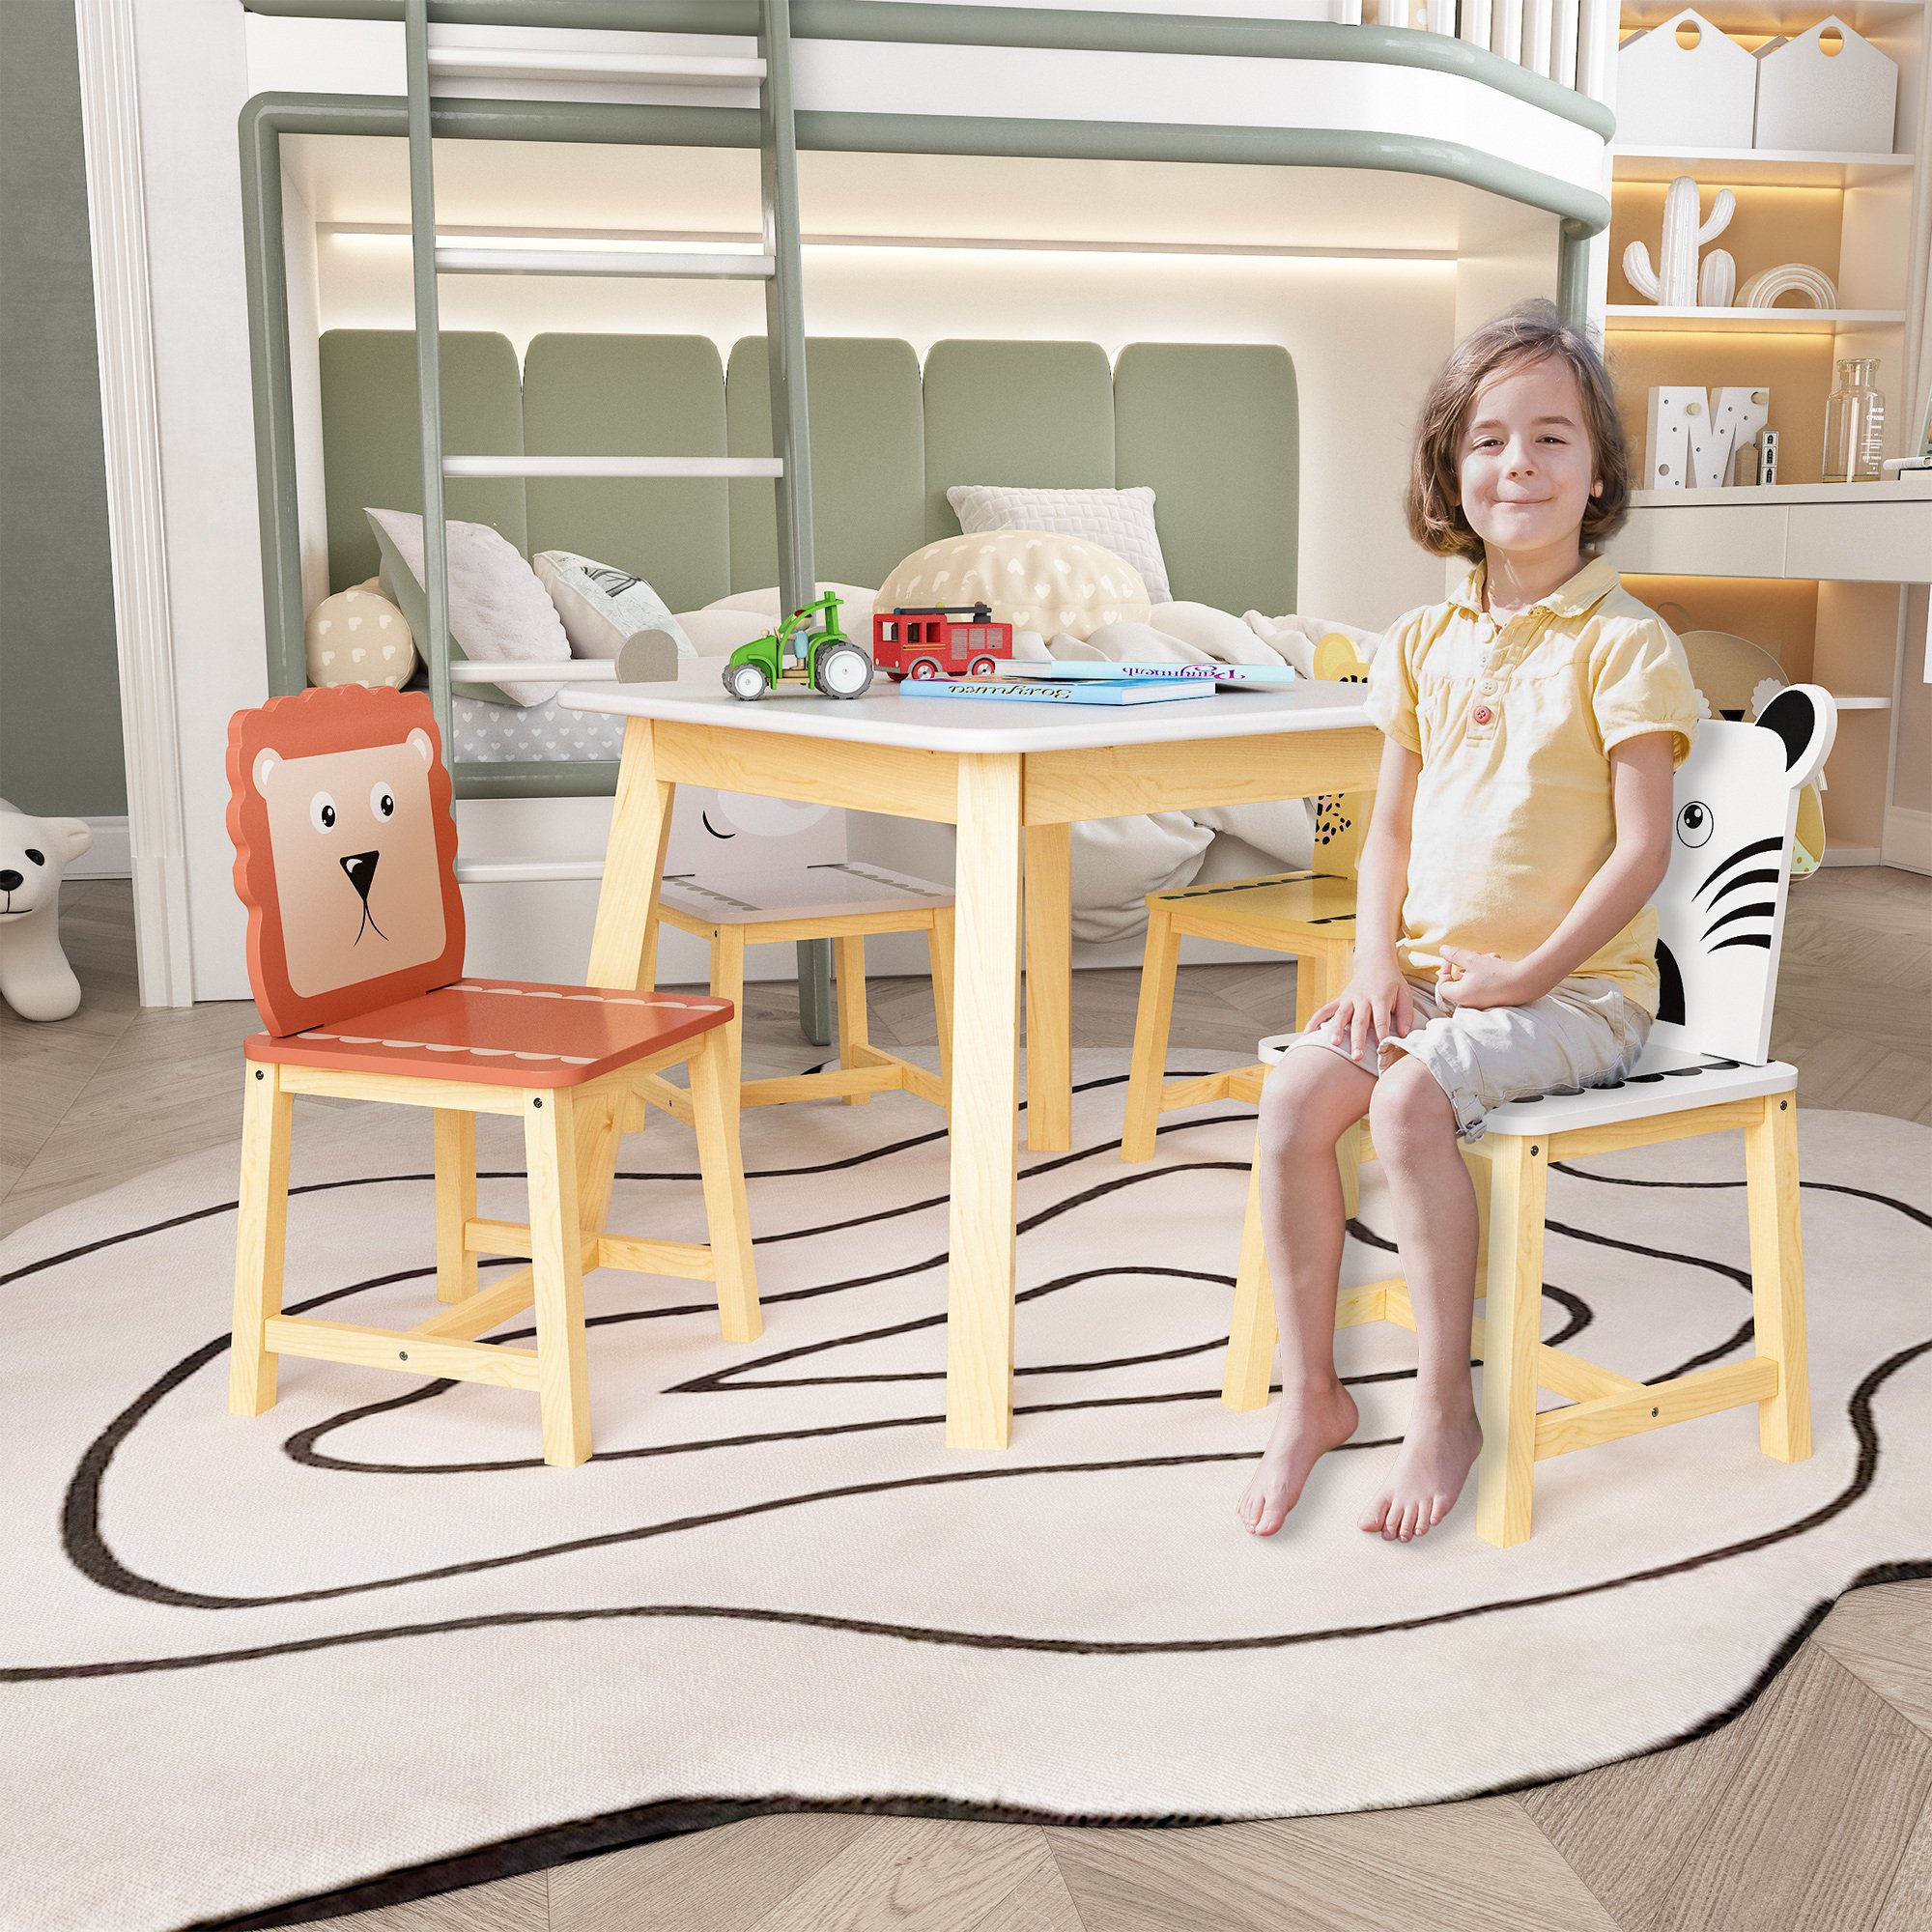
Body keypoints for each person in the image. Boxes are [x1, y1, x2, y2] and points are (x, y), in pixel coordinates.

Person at [1236, 300, 1698, 1544]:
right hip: (1439, 980)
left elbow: (1641, 849)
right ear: (1449, 471)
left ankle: (1443, 1407)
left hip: (1580, 992)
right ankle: (1312, 1392)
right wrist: (1372, 961)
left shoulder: (1625, 645)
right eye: (1487, 440)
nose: (1517, 465)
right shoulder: (1419, 642)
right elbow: (1386, 828)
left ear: (1596, 472)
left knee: (1405, 1102)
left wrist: (1529, 972)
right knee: (1293, 1098)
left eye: (1551, 438)